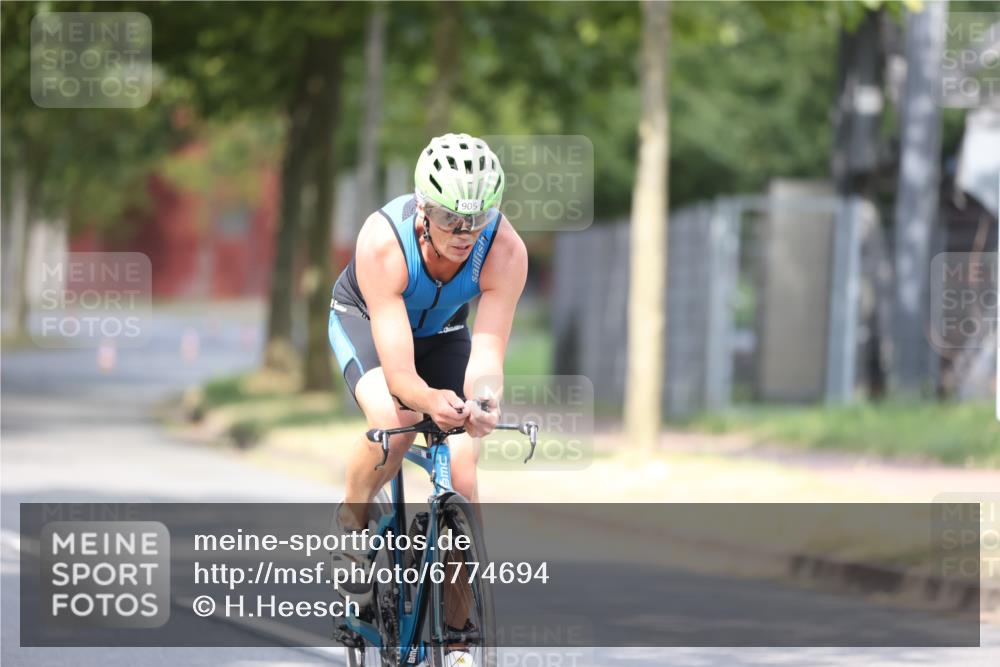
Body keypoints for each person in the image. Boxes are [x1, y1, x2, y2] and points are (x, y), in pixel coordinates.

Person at [328, 133, 527, 666]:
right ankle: (352, 519)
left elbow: (487, 354)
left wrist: (483, 403)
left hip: (442, 333)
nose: (465, 234)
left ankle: (460, 637)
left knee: (463, 467)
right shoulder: (383, 241)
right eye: (450, 220)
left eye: (478, 219)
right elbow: (399, 372)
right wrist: (429, 402)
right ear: (423, 209)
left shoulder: (505, 250)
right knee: (395, 423)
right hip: (368, 322)